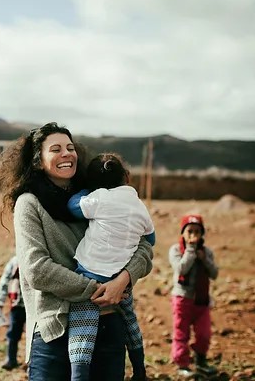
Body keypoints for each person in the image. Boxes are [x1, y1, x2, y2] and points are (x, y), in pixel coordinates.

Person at [0, 122, 153, 381]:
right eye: (55, 149)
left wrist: (123, 280)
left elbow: (144, 244)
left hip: (108, 322)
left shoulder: (98, 197)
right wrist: (98, 290)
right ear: (37, 162)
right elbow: (37, 270)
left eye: (70, 147)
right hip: (55, 327)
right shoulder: (29, 204)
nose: (66, 153)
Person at [66, 153, 155, 381]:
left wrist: (86, 192)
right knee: (130, 322)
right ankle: (139, 370)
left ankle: (79, 377)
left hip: (89, 275)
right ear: (127, 177)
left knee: (82, 333)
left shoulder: (100, 199)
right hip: (120, 278)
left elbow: (73, 207)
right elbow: (150, 240)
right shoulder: (139, 206)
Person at [169, 214, 219, 378]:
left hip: (201, 300)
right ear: (182, 232)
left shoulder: (206, 252)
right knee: (181, 332)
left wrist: (205, 260)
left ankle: (201, 361)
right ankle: (182, 364)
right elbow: (181, 269)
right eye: (189, 231)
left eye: (197, 231)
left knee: (204, 333)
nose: (193, 235)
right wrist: (190, 250)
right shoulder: (176, 250)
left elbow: (214, 273)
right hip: (182, 299)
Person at [0, 255, 26, 370]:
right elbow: (5, 282)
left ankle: (32, 361)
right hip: (17, 304)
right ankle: (10, 359)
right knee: (12, 332)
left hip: (35, 306)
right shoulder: (14, 262)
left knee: (35, 335)